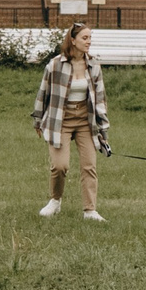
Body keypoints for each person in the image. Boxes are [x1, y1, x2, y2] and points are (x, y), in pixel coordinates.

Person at [31, 22, 112, 221]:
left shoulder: (94, 65)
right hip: (60, 121)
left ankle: (90, 211)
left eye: (90, 38)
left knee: (89, 166)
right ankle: (55, 201)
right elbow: (44, 92)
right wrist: (38, 120)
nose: (89, 42)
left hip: (85, 122)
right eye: (85, 38)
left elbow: (100, 99)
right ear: (73, 40)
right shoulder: (55, 65)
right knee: (60, 166)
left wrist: (103, 129)